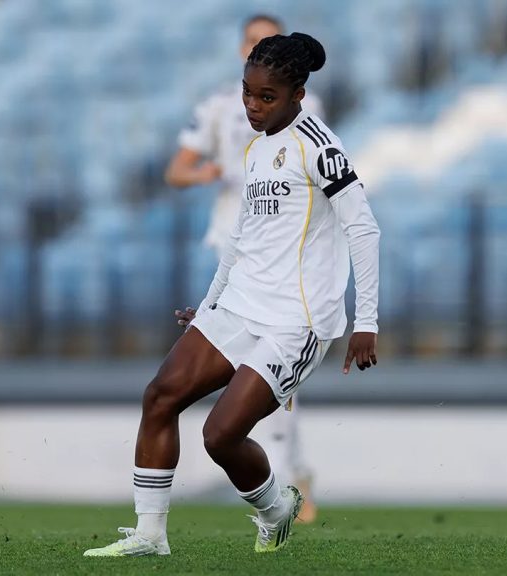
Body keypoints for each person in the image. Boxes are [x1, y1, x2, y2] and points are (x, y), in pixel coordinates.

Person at [85, 32, 380, 557]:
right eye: (248, 93)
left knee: (220, 435)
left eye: (266, 97)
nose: (252, 105)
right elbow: (243, 236)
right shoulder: (255, 146)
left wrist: (367, 322)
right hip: (241, 304)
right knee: (161, 396)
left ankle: (275, 508)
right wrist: (211, 301)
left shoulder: (321, 148)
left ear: (298, 96)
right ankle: (150, 535)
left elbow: (364, 230)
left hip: (296, 320)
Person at [164, 13, 326, 524]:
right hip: (232, 248)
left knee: (271, 373)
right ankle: (285, 476)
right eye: (254, 42)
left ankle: (282, 478)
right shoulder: (219, 107)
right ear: (242, 50)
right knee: (248, 374)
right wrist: (211, 171)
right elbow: (176, 170)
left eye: (269, 41)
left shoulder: (306, 109)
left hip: (283, 255)